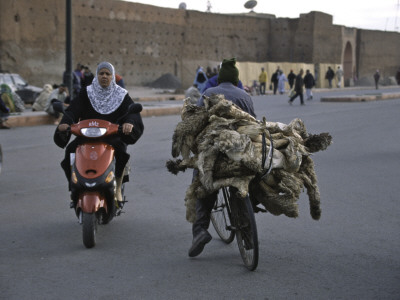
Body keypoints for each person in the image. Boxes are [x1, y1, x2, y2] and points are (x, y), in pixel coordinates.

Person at [189, 57, 256, 257]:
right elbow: (252, 125)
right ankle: (248, 235)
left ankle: (200, 231)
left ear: (219, 79)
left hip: (215, 153)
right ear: (236, 80)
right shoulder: (245, 96)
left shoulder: (209, 93)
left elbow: (197, 121)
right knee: (242, 187)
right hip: (240, 153)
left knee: (202, 187)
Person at [54, 61, 144, 204]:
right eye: (101, 73)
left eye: (108, 74)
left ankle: (118, 188)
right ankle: (75, 187)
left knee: (121, 154)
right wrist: (65, 123)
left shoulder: (121, 95)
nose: (104, 76)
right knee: (70, 152)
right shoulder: (87, 92)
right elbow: (72, 110)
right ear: (96, 75)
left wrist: (129, 123)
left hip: (112, 137)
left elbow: (131, 112)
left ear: (112, 76)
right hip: (86, 136)